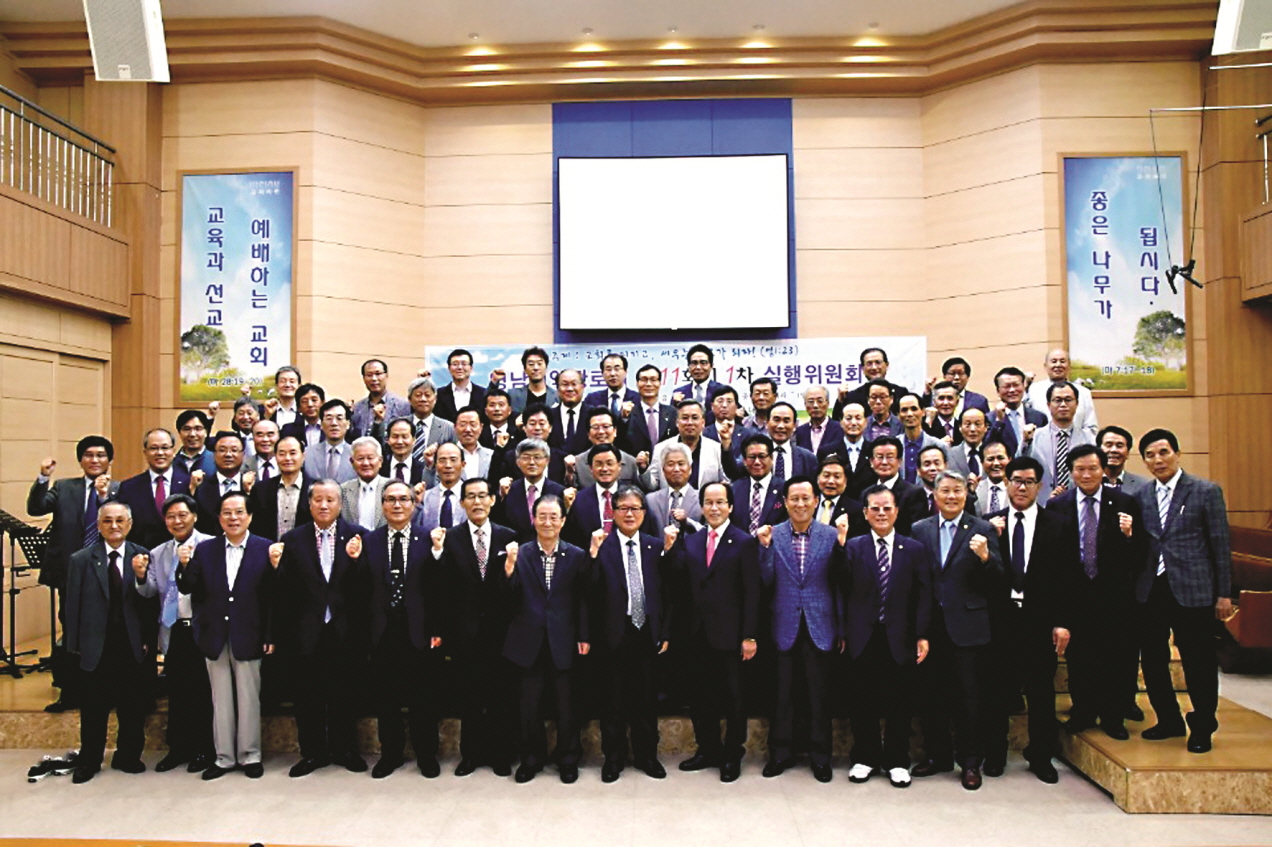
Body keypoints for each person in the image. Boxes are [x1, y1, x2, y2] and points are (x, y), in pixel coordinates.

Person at [1135, 428, 1233, 754]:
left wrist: (1224, 594)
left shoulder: (1205, 491)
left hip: (1193, 589)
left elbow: (1220, 545)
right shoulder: (1142, 495)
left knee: (1198, 660)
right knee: (1153, 658)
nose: (1157, 460)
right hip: (1151, 589)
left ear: (1178, 454)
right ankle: (1168, 719)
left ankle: (1203, 725)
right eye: (1150, 455)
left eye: (1163, 452)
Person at [984, 455, 1076, 783]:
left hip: (1040, 620)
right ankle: (995, 753)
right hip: (1001, 620)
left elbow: (1068, 578)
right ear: (1006, 483)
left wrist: (1063, 621)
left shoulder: (1058, 524)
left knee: (1041, 692)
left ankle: (1040, 755)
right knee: (996, 691)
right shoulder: (988, 523)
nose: (1021, 488)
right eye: (1016, 481)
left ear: (1040, 486)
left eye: (1029, 482)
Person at [910, 470, 1003, 790]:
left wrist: (986, 557)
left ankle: (971, 762)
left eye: (957, 490)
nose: (951, 496)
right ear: (935, 495)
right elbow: (917, 581)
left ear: (966, 494)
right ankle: (937, 755)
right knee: (931, 695)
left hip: (968, 627)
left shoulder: (983, 529)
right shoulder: (919, 529)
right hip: (931, 627)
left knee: (968, 698)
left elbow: (998, 580)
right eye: (945, 491)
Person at [1044, 445, 1144, 740]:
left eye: (1092, 468)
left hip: (1113, 595)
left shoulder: (1124, 502)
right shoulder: (1058, 506)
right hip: (1074, 594)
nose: (1086, 475)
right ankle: (1083, 712)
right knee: (1080, 659)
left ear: (1103, 470)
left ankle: (1113, 717)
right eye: (1080, 469)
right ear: (1071, 472)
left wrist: (1130, 536)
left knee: (1113, 657)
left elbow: (1140, 553)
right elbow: (1052, 556)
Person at [177, 491, 276, 780]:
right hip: (214, 634)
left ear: (250, 517)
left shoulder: (264, 548)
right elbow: (188, 587)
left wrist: (270, 635)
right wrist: (184, 565)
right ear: (219, 518)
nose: (233, 518)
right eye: (227, 513)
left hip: (250, 633)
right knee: (220, 699)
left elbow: (271, 599)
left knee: (249, 698)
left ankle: (250, 755)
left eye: (239, 512)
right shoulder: (205, 549)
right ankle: (224, 757)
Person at [756, 477, 849, 783]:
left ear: (815, 501)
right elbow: (765, 581)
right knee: (782, 696)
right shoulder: (773, 534)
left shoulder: (830, 535)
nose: (800, 504)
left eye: (806, 498)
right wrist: (764, 549)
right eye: (794, 498)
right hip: (783, 624)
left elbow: (839, 584)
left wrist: (841, 628)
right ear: (784, 502)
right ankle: (780, 754)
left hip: (820, 623)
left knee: (818, 696)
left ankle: (820, 757)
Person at [352, 479, 446, 778]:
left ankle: (426, 755)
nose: (397, 505)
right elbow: (361, 590)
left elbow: (438, 590)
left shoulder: (428, 538)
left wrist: (436, 629)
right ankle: (390, 754)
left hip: (419, 631)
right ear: (382, 505)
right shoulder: (369, 541)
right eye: (390, 499)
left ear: (414, 504)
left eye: (403, 499)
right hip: (382, 631)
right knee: (386, 699)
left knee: (423, 698)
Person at [275, 480, 369, 777]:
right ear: (309, 504)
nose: (324, 505)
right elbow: (285, 591)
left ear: (340, 504)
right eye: (318, 500)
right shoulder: (293, 539)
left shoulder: (359, 536)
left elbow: (367, 586)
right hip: (307, 631)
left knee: (345, 694)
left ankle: (346, 750)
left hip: (345, 630)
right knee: (307, 697)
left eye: (330, 500)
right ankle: (313, 753)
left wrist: (357, 561)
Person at [667, 481, 760, 783]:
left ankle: (732, 754)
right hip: (696, 634)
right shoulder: (691, 540)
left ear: (730, 507)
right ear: (702, 507)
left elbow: (752, 593)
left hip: (731, 635)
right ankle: (707, 750)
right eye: (709, 502)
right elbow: (678, 582)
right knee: (700, 697)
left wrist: (749, 635)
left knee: (734, 699)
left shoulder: (744, 542)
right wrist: (670, 550)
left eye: (720, 502)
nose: (714, 508)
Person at [840, 484, 931, 788]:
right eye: (875, 509)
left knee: (899, 703)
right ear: (865, 513)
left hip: (900, 636)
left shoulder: (913, 548)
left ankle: (897, 761)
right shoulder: (853, 547)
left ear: (897, 512)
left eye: (887, 508)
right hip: (863, 636)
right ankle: (865, 758)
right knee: (862, 701)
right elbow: (842, 587)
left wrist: (921, 634)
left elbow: (923, 594)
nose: (881, 513)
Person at [63, 501, 155, 783]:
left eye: (119, 520)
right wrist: (73, 645)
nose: (114, 526)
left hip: (131, 642)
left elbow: (150, 603)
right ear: (99, 525)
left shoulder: (142, 555)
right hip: (94, 644)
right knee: (94, 706)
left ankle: (128, 756)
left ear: (129, 524)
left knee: (132, 706)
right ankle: (90, 759)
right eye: (107, 521)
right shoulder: (81, 559)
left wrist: (148, 640)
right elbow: (71, 606)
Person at [502, 493, 591, 784]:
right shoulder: (520, 553)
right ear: (533, 519)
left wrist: (584, 635)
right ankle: (532, 758)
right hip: (527, 641)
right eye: (542, 516)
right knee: (529, 707)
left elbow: (582, 600)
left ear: (563, 521)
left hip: (564, 639)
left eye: (554, 517)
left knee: (567, 707)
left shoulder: (576, 555)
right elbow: (507, 600)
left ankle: (568, 759)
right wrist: (508, 571)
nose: (548, 522)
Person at [27, 434, 120, 712]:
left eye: (101, 455)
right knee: (71, 631)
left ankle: (105, 692)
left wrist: (103, 497)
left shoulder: (120, 488)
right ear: (81, 460)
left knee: (108, 631)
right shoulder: (64, 487)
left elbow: (120, 524)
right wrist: (43, 477)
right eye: (89, 455)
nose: (95, 460)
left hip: (107, 572)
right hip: (70, 571)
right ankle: (70, 692)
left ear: (109, 460)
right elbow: (36, 508)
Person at [436, 477, 519, 777]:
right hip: (465, 631)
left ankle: (500, 754)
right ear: (462, 503)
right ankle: (470, 755)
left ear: (493, 500)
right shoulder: (451, 538)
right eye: (470, 496)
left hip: (501, 631)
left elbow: (515, 585)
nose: (477, 502)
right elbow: (443, 587)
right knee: (470, 697)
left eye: (483, 495)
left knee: (500, 696)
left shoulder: (509, 536)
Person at [589, 485, 671, 782]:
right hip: (614, 633)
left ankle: (647, 756)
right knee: (612, 702)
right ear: (613, 513)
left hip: (647, 632)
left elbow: (666, 593)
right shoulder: (602, 546)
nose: (629, 514)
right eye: (622, 508)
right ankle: (614, 758)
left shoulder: (654, 546)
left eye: (635, 508)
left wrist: (664, 631)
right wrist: (593, 556)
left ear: (644, 513)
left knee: (645, 701)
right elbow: (590, 592)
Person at [142, 494, 214, 774]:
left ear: (194, 516)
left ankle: (204, 749)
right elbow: (149, 591)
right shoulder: (158, 553)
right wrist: (140, 576)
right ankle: (178, 748)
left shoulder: (210, 546)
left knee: (203, 692)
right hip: (173, 629)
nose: (177, 521)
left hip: (202, 628)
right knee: (178, 692)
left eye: (182, 515)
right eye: (171, 516)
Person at [116, 428, 190, 552]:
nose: (160, 453)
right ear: (145, 452)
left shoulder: (189, 484)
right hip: (143, 554)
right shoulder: (129, 487)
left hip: (183, 553)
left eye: (165, 448)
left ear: (173, 451)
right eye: (154, 448)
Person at [1021, 381, 1094, 504]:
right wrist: (1025, 442)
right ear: (1049, 405)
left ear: (1077, 404)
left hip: (1078, 505)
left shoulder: (1088, 439)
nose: (1063, 404)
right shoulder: (1034, 436)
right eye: (1058, 400)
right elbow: (1019, 465)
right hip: (1041, 504)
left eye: (1068, 400)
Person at [644, 400, 729, 491]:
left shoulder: (716, 449)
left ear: (703, 423)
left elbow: (726, 481)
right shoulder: (661, 448)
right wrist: (643, 470)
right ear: (677, 422)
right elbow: (652, 485)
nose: (690, 422)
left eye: (695, 418)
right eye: (685, 418)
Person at [493, 439, 566, 543]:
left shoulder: (559, 491)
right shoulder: (508, 490)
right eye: (526, 458)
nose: (532, 462)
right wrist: (501, 496)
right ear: (518, 462)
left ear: (547, 461)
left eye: (537, 457)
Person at [248, 434, 313, 542]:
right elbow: (255, 527)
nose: (287, 458)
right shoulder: (260, 489)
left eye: (293, 453)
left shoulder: (315, 488)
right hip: (268, 549)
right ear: (275, 456)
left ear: (303, 456)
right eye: (282, 454)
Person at [1026, 348, 1099, 437]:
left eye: (1062, 361)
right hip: (1042, 443)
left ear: (1069, 365)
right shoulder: (1033, 390)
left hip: (1077, 443)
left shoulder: (1083, 393)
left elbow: (1091, 428)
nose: (1058, 365)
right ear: (1045, 366)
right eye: (1054, 361)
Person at [563, 443, 623, 548]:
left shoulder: (632, 497)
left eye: (609, 463)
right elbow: (571, 538)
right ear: (591, 468)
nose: (604, 469)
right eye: (599, 464)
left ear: (619, 466)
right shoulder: (580, 500)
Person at [192, 431, 252, 535]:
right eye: (222, 450)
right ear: (214, 454)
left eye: (234, 450)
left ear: (243, 455)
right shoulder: (201, 486)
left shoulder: (253, 486)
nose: (228, 454)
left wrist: (249, 493)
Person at [865, 436, 927, 535]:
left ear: (899, 461)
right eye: (880, 457)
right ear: (871, 462)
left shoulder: (914, 493)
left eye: (890, 457)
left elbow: (917, 532)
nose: (884, 462)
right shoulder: (866, 493)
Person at [567, 408, 642, 488]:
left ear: (615, 431)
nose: (601, 432)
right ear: (588, 434)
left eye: (606, 426)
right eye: (595, 427)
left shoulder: (631, 462)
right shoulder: (577, 463)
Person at [730, 434, 787, 534]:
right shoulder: (734, 489)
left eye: (762, 456)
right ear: (744, 460)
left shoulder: (785, 489)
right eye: (752, 457)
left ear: (771, 458)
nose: (757, 462)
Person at [643, 443, 704, 534]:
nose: (676, 469)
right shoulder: (651, 500)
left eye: (681, 464)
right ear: (663, 470)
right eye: (670, 464)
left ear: (690, 468)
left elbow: (710, 532)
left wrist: (687, 522)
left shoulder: (702, 499)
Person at [833, 347, 910, 419]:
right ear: (862, 368)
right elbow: (838, 421)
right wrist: (841, 402)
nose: (874, 367)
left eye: (878, 362)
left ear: (887, 365)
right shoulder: (853, 397)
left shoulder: (901, 393)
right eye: (869, 363)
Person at [987, 367, 1047, 458]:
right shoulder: (990, 419)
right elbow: (987, 448)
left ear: (1024, 386)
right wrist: (998, 422)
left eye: (1016, 385)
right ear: (998, 391)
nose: (1012, 390)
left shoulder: (1039, 417)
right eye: (1007, 386)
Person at [818, 402, 873, 498]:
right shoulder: (826, 451)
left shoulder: (873, 450)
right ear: (841, 422)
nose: (853, 423)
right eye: (848, 418)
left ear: (866, 422)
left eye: (858, 418)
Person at [413, 442, 469, 534]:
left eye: (453, 460)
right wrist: (416, 504)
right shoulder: (425, 497)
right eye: (442, 460)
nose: (448, 465)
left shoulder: (472, 496)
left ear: (463, 464)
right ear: (435, 465)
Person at [624, 363, 677, 459]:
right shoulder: (628, 413)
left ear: (660, 383)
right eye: (644, 380)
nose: (648, 384)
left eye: (653, 379)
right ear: (637, 384)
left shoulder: (672, 413)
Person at [351, 358, 411, 438]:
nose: (374, 378)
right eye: (369, 375)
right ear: (364, 379)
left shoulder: (402, 406)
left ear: (386, 376)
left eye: (378, 374)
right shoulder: (357, 408)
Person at [302, 399, 357, 485]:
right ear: (321, 425)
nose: (334, 423)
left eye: (339, 418)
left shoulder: (356, 454)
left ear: (348, 424)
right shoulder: (307, 453)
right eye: (329, 418)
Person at [340, 436, 389, 531]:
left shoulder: (392, 488)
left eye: (370, 458)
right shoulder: (343, 490)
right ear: (352, 462)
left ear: (380, 461)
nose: (365, 463)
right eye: (360, 458)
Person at [490, 346, 557, 415]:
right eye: (531, 364)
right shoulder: (513, 395)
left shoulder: (556, 396)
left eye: (539, 364)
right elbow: (488, 403)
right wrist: (494, 382)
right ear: (525, 369)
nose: (536, 368)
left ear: (546, 368)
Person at [764, 402, 819, 485]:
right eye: (776, 420)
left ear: (794, 426)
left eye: (786, 421)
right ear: (767, 423)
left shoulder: (808, 458)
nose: (781, 426)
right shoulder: (756, 456)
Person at [673, 344, 727, 424]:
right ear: (688, 367)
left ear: (711, 366)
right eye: (694, 363)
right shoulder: (679, 393)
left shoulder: (722, 391)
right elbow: (673, 421)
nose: (698, 367)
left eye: (703, 363)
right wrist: (675, 406)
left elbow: (739, 414)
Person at [814, 454, 865, 537]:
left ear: (846, 481)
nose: (831, 481)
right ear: (818, 478)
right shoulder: (807, 503)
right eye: (826, 476)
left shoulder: (856, 510)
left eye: (837, 477)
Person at [898, 394, 942, 485]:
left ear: (923, 412)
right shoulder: (894, 445)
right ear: (898, 415)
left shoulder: (939, 446)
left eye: (914, 409)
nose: (909, 414)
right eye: (904, 410)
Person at [434, 348, 488, 423]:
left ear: (471, 368)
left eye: (464, 364)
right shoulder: (438, 394)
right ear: (449, 368)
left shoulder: (483, 394)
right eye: (455, 364)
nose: (459, 367)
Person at [1098, 425, 1150, 496]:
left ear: (1128, 452)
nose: (1114, 450)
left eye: (1119, 446)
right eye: (1109, 445)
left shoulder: (1144, 486)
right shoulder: (1085, 482)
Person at [378, 416, 428, 487]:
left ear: (414, 440)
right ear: (388, 440)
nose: (400, 442)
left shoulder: (424, 470)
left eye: (405, 437)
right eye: (395, 437)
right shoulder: (380, 469)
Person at [546, 368, 586, 455]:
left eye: (574, 384)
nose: (570, 389)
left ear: (582, 387)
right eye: (565, 384)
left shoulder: (593, 415)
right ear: (557, 388)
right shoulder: (548, 416)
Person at [795, 385, 843, 456]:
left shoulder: (840, 429)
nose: (815, 405)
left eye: (820, 401)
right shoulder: (799, 432)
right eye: (811, 401)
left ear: (828, 403)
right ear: (805, 405)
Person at [454, 407, 497, 482]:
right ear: (455, 427)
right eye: (463, 425)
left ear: (481, 427)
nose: (468, 429)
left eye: (473, 424)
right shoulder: (446, 456)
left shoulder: (492, 455)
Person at [278, 383, 325, 449]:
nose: (310, 404)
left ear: (323, 403)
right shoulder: (288, 430)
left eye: (314, 400)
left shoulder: (331, 427)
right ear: (298, 407)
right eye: (304, 401)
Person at [947, 408, 990, 481]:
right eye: (967, 424)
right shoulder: (950, 454)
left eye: (977, 424)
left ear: (986, 427)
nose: (972, 429)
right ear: (960, 427)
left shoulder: (992, 454)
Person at [974, 442, 1012, 518]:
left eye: (1000, 458)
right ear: (982, 462)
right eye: (990, 459)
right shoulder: (975, 490)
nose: (996, 463)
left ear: (1009, 459)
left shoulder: (1018, 489)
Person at [173, 410, 217, 476]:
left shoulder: (217, 461)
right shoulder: (171, 462)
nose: (192, 434)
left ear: (206, 432)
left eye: (198, 429)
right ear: (179, 432)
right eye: (187, 429)